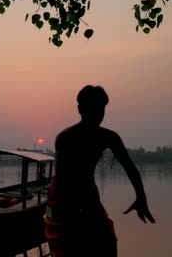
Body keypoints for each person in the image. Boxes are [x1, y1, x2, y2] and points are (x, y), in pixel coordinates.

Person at [45, 85, 155, 257]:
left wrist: (141, 197)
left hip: (87, 194)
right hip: (63, 200)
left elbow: (130, 168)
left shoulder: (108, 137)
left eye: (101, 109)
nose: (98, 114)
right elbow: (64, 183)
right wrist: (76, 215)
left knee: (107, 243)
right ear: (80, 109)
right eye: (92, 109)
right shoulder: (66, 138)